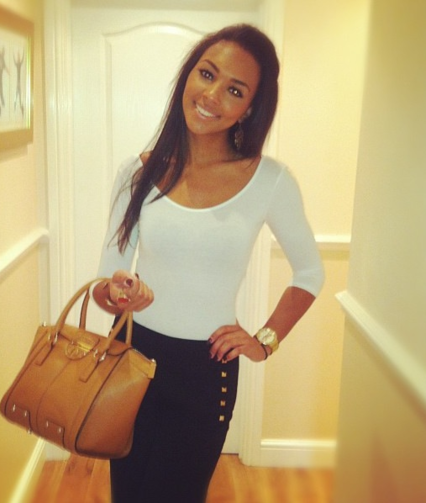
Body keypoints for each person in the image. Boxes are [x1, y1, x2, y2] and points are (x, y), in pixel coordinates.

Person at [92, 23, 324, 503]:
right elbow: (104, 281)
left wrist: (264, 341)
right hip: (131, 354)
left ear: (250, 108)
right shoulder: (138, 172)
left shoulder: (270, 181)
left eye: (235, 90)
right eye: (207, 73)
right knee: (127, 495)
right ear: (189, 75)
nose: (212, 95)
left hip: (206, 371)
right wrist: (118, 291)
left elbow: (309, 273)